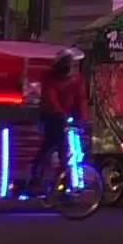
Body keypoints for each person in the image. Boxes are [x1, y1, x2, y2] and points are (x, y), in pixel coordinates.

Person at [34, 49, 88, 189]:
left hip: (68, 114)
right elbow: (50, 98)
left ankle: (65, 181)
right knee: (56, 144)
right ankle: (38, 174)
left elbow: (81, 99)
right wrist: (61, 113)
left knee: (72, 149)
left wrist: (83, 118)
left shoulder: (77, 79)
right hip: (52, 116)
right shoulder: (50, 78)